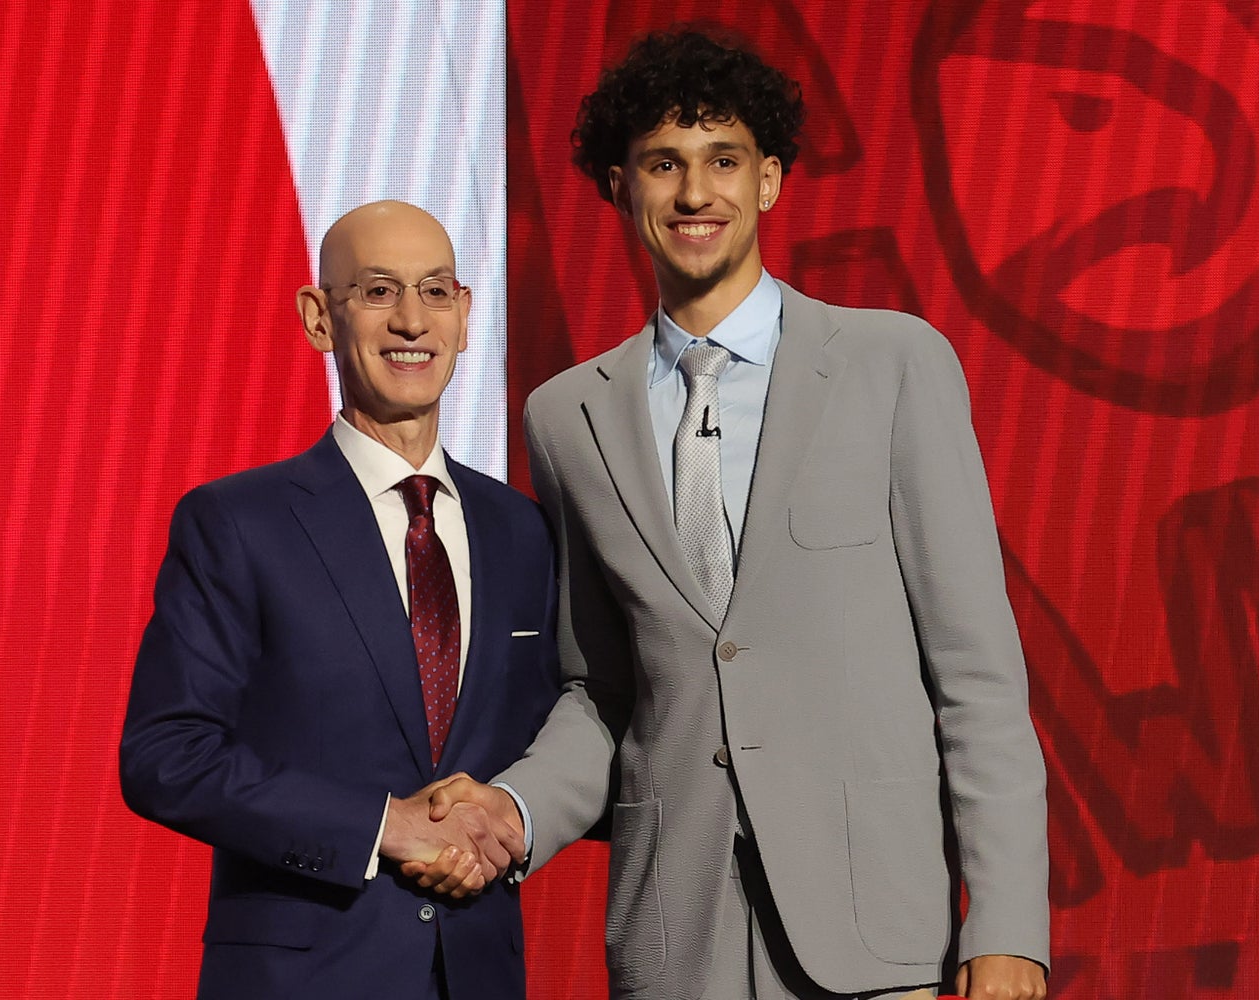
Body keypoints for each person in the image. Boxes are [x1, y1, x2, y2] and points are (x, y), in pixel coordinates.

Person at [417, 30, 1050, 1000]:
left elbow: (977, 678)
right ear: (619, 187)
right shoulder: (565, 417)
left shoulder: (892, 365)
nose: (693, 193)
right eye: (663, 163)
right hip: (676, 940)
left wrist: (1005, 927)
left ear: (769, 180)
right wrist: (512, 809)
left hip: (877, 938)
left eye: (722, 160)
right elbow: (607, 693)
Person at [120, 200, 563, 999]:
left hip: (479, 974)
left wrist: (513, 812)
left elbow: (555, 733)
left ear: (465, 316)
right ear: (319, 318)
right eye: (378, 291)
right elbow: (166, 756)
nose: (411, 321)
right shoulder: (238, 523)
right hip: (301, 976)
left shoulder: (522, 530)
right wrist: (384, 826)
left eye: (435, 292)